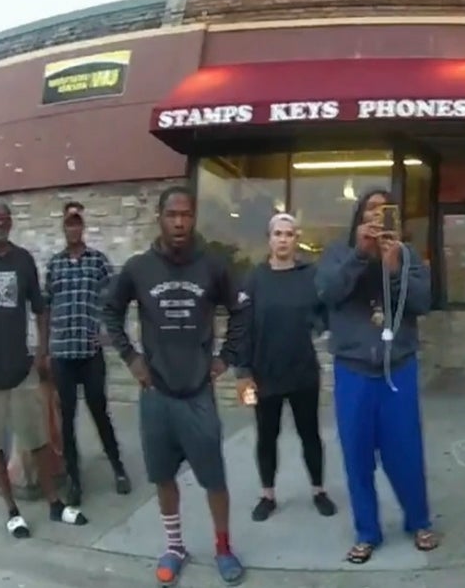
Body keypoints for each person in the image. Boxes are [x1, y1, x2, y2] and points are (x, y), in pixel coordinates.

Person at [102, 186, 248, 586]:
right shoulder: (138, 268)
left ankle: (222, 547)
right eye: (172, 215)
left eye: (186, 215)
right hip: (156, 395)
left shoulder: (214, 265)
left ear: (193, 218)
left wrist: (225, 359)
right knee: (163, 477)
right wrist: (132, 360)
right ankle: (174, 546)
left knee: (214, 479)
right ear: (160, 217)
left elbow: (240, 312)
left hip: (197, 393)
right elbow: (110, 312)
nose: (180, 222)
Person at [314, 188, 438, 564]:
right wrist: (360, 256)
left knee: (406, 452)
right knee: (357, 455)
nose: (376, 218)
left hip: (397, 368)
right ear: (358, 217)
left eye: (384, 211)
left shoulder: (407, 255)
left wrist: (395, 266)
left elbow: (422, 303)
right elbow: (327, 293)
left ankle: (418, 522)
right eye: (369, 211)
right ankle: (368, 532)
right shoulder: (337, 253)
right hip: (353, 370)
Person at [0, 202, 87, 538]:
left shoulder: (23, 260)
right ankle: (12, 511)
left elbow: (40, 310)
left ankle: (55, 504)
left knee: (36, 438)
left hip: (21, 366)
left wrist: (42, 351)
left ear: (10, 223)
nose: (0, 223)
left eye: (5, 219)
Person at [235, 213, 336, 522]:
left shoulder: (310, 275)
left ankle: (319, 490)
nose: (283, 239)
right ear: (269, 239)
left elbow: (326, 311)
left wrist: (319, 326)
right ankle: (268, 494)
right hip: (264, 375)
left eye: (289, 234)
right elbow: (243, 326)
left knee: (310, 434)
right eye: (277, 233)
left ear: (296, 239)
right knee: (266, 436)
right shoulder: (254, 279)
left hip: (303, 371)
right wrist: (242, 373)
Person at [44, 201, 130, 506]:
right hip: (63, 355)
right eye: (69, 224)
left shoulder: (98, 262)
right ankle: (74, 482)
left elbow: (116, 298)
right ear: (64, 228)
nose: (73, 228)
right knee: (67, 419)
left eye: (77, 223)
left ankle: (118, 469)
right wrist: (44, 351)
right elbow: (45, 306)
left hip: (90, 354)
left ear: (83, 227)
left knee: (99, 410)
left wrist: (108, 333)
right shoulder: (54, 265)